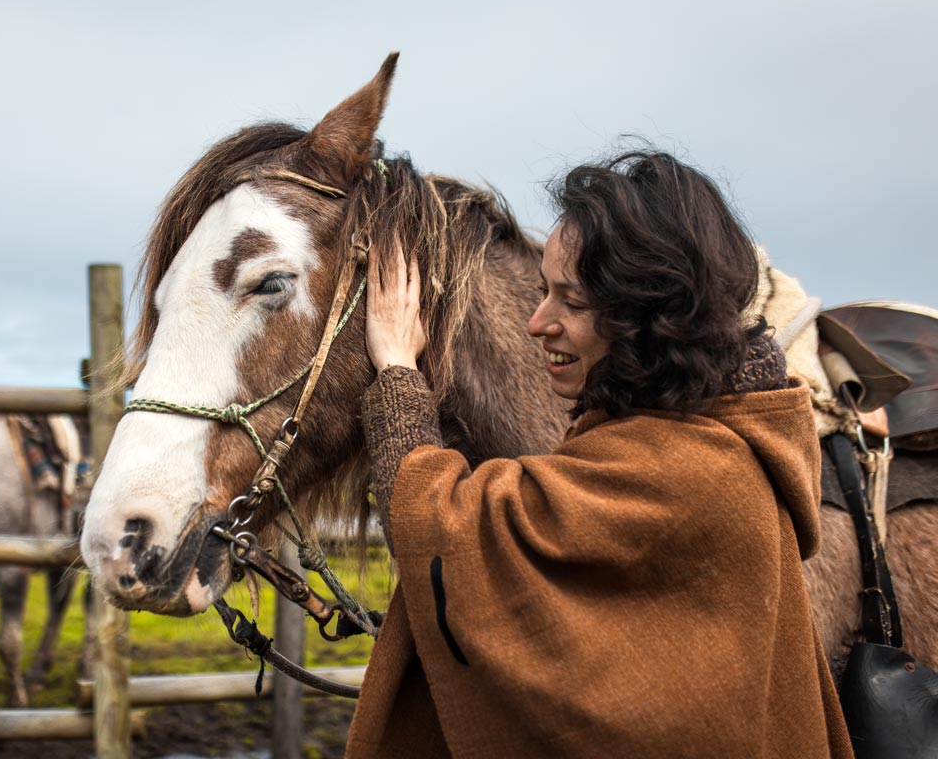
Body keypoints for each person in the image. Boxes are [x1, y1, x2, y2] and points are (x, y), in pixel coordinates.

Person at [345, 151, 853, 758]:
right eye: (543, 292)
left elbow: (451, 526)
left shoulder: (699, 470)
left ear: (645, 316)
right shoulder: (684, 436)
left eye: (573, 303)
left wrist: (399, 369)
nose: (538, 323)